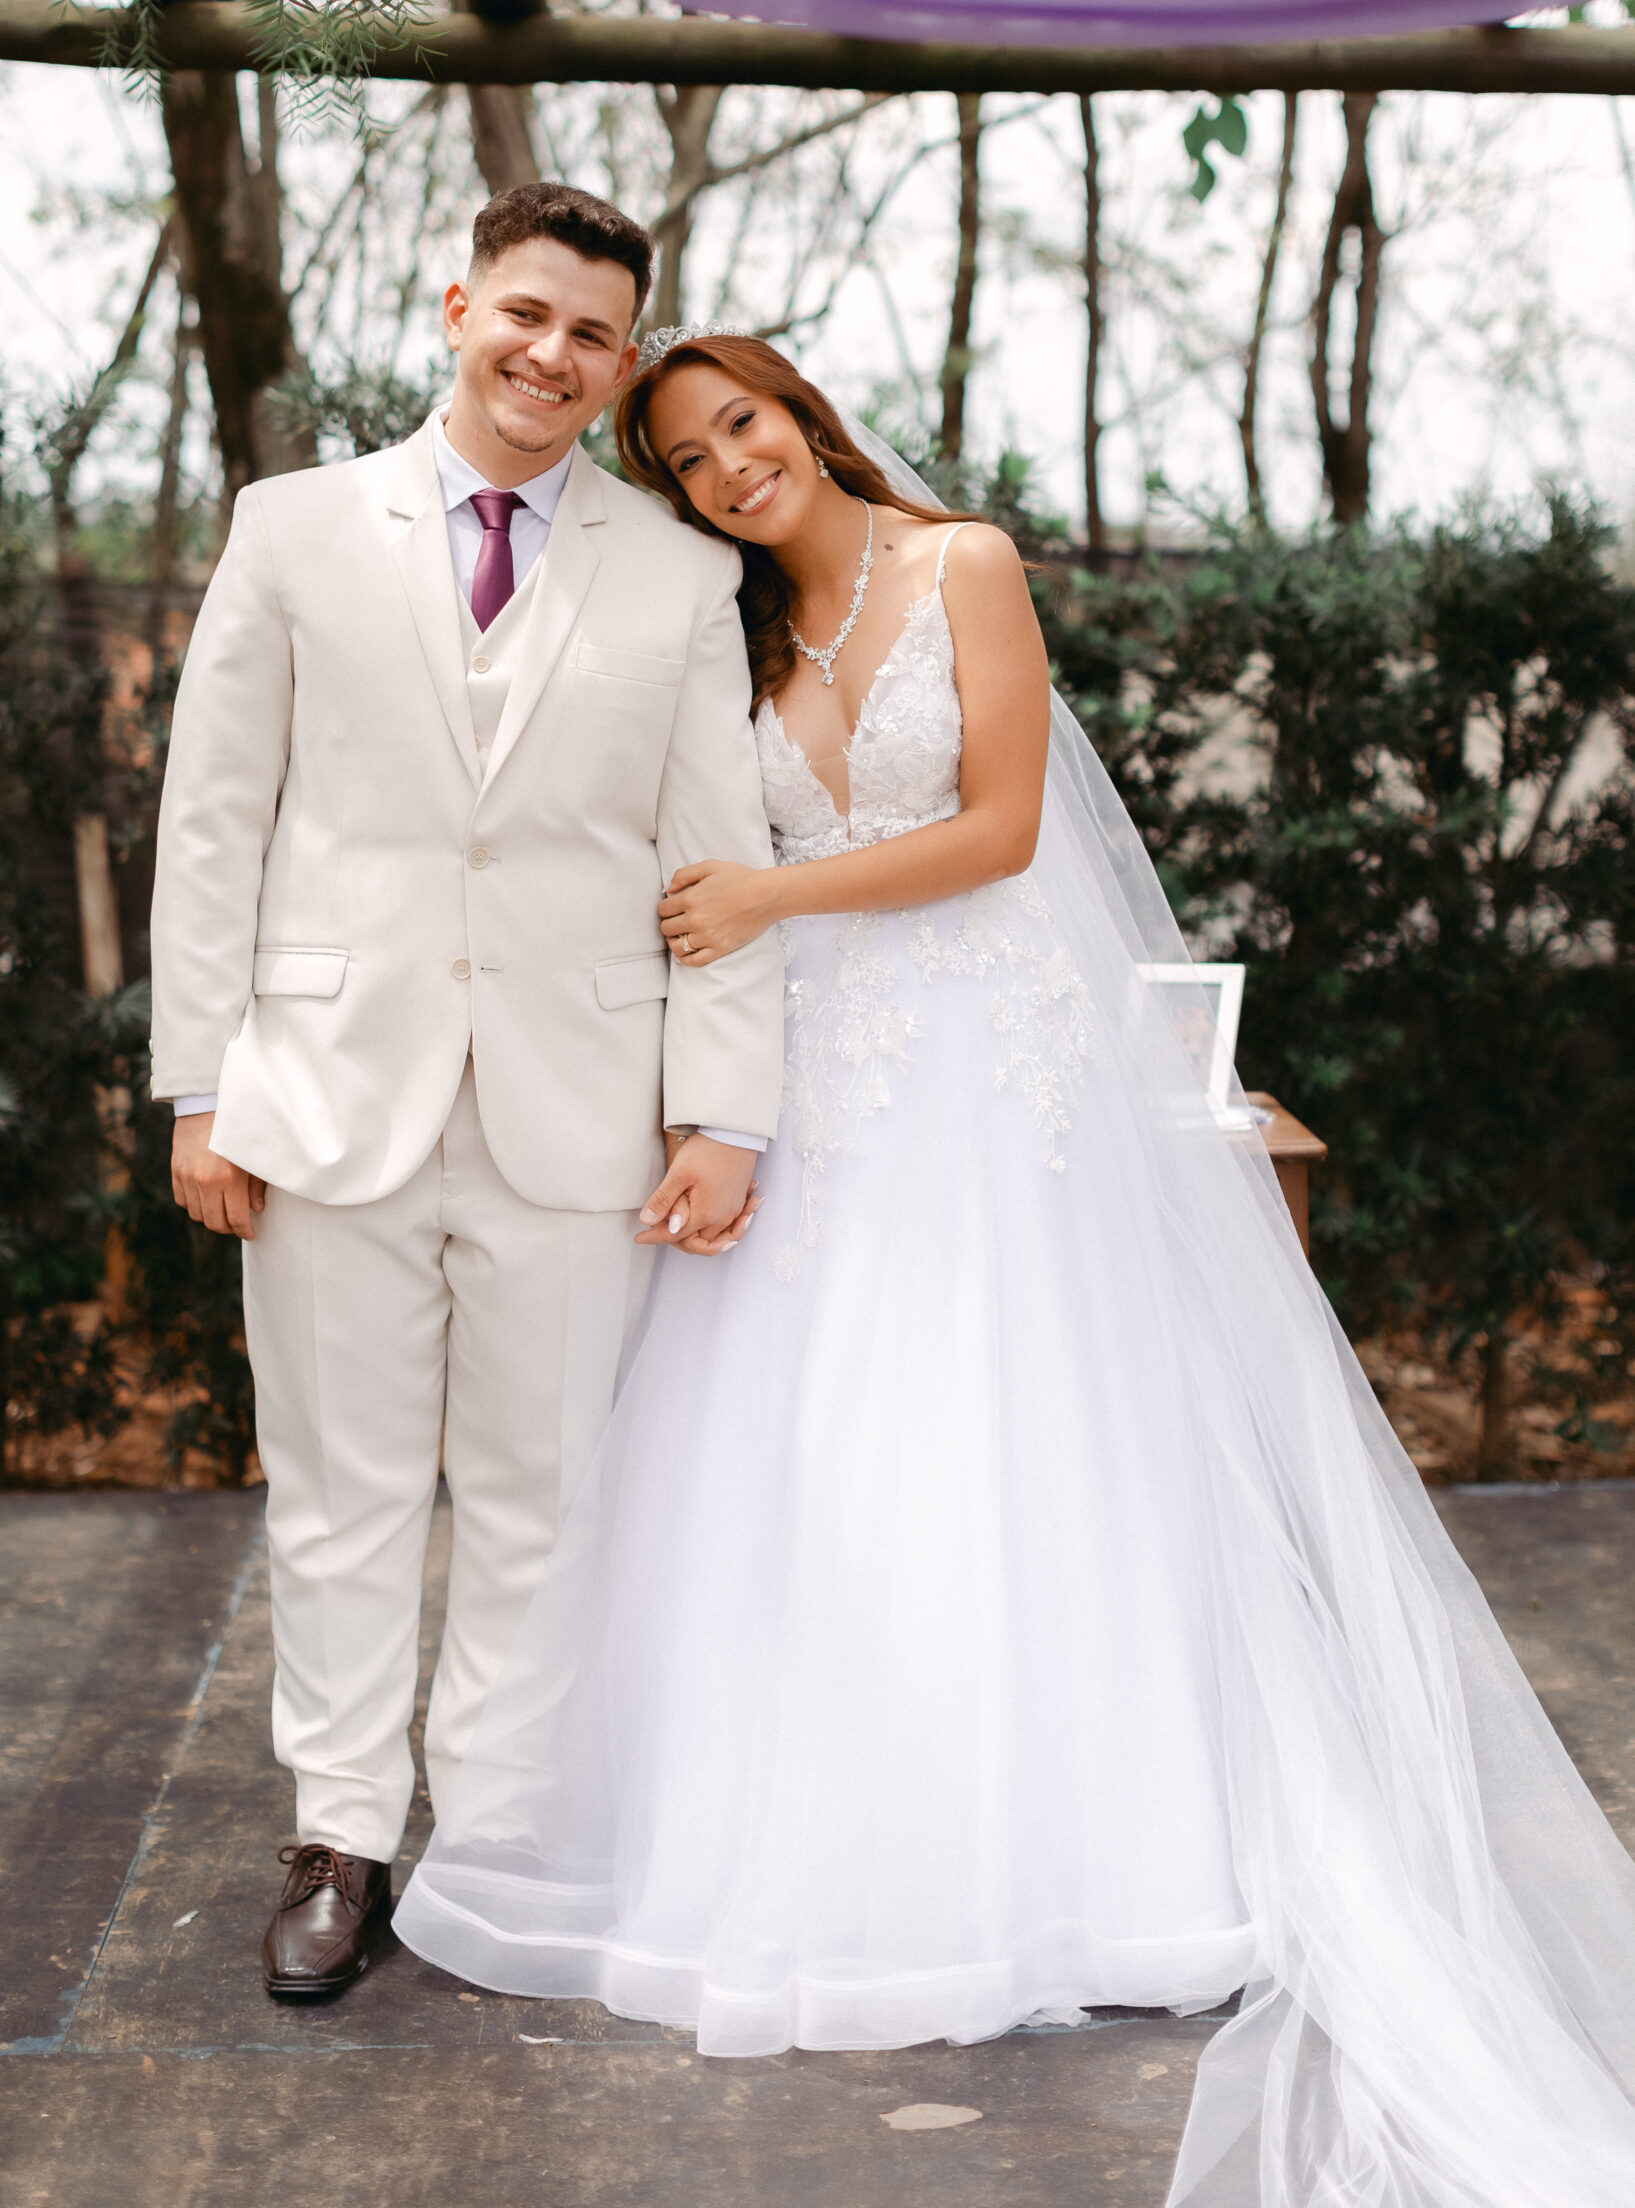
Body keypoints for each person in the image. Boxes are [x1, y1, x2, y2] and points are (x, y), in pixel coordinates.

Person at [395, 331, 1635, 2206]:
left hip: (987, 1068)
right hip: (813, 1073)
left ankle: (1079, 1861)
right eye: (689, 461)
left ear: (803, 418)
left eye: (743, 425)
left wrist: (774, 891)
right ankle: (823, 1850)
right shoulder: (725, 634)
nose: (729, 469)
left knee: (1003, 1423)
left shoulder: (960, 562)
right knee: (802, 1451)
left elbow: (999, 830)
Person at [150, 200, 782, 2001]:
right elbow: (215, 818)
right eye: (526, 313)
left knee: (543, 1497)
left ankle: (495, 1842)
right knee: (339, 1495)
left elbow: (715, 861)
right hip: (320, 1091)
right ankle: (341, 1833)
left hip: (583, 1108)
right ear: (459, 307)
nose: (550, 355)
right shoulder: (292, 529)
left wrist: (722, 1110)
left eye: (592, 335)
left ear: (622, 363)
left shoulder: (680, 576)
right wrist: (199, 1084)